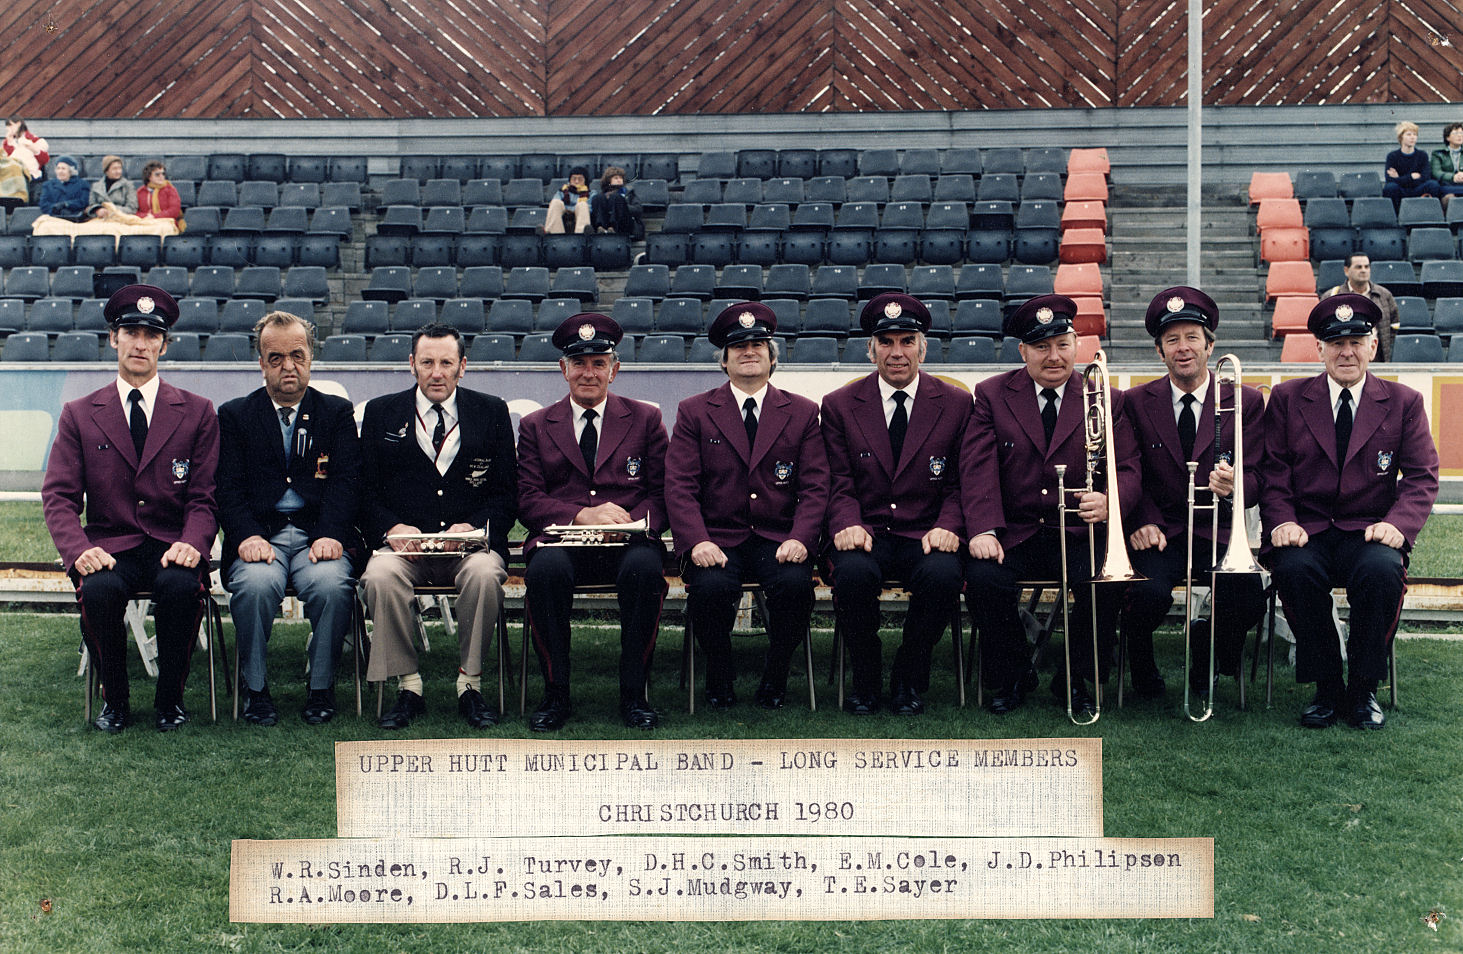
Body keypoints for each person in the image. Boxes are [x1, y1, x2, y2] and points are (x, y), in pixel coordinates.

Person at [41, 285, 219, 733]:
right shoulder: (79, 413)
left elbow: (203, 496)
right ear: (113, 339)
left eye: (151, 335)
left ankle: (169, 702)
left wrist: (193, 543)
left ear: (164, 344)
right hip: (109, 544)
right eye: (131, 332)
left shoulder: (197, 412)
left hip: (169, 544)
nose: (141, 343)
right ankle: (114, 702)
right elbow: (59, 496)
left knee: (181, 587)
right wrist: (77, 550)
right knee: (99, 590)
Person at [1261, 295, 1439, 730]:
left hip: (1369, 532)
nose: (1347, 352)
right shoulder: (1286, 398)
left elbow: (1422, 475)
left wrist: (1398, 526)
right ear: (1318, 349)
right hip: (1307, 531)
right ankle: (1326, 687)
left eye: (1357, 341)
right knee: (1295, 570)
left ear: (1373, 346)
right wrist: (1282, 521)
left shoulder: (1403, 402)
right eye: (1335, 342)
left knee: (1381, 572)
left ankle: (1363, 690)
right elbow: (1272, 472)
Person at [960, 295, 1139, 717]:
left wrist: (1111, 501)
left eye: (1062, 344)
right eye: (1041, 347)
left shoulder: (1105, 397)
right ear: (1023, 351)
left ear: (1076, 344)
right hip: (1016, 529)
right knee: (985, 578)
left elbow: (1129, 467)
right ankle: (1012, 674)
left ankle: (1075, 679)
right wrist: (984, 529)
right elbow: (976, 468)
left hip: (1079, 530)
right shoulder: (991, 394)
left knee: (1106, 583)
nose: (1053, 356)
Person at [665, 302, 829, 709]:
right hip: (718, 537)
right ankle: (719, 674)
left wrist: (802, 538)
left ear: (773, 358)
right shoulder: (695, 411)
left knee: (794, 586)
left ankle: (775, 675)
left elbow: (815, 486)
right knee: (711, 589)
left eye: (758, 344)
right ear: (724, 361)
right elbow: (680, 486)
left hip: (778, 537)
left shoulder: (804, 412)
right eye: (738, 346)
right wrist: (697, 540)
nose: (749, 351)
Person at [359, 323, 517, 730]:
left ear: (462, 367)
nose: (436, 372)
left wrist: (477, 527)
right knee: (378, 576)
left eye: (446, 362)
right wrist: (391, 527)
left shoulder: (491, 411)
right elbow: (364, 492)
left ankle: (471, 685)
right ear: (411, 364)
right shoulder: (381, 412)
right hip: (405, 550)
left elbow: (507, 492)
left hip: (468, 548)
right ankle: (409, 686)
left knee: (485, 575)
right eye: (427, 362)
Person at [820, 293, 970, 715]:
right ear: (870, 349)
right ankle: (866, 678)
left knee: (942, 575)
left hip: (926, 532)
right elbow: (837, 479)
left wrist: (949, 526)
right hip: (866, 530)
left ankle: (909, 676)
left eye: (907, 341)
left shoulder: (957, 404)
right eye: (886, 342)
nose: (897, 352)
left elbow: (962, 481)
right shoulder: (839, 405)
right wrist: (847, 523)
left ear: (924, 347)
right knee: (850, 573)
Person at [517, 313, 668, 730]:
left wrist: (628, 524)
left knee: (645, 569)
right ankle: (556, 694)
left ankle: (634, 694)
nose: (589, 372)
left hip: (627, 543)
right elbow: (527, 499)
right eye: (579, 363)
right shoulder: (534, 426)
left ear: (614, 370)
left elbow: (663, 493)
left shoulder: (646, 419)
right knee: (545, 572)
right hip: (562, 543)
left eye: (599, 363)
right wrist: (582, 514)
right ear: (562, 369)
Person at [1118, 287, 1266, 701]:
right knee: (1143, 593)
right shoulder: (1134, 401)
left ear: (1210, 345)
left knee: (1248, 596)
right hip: (1160, 531)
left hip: (1218, 531)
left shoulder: (1247, 401)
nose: (1183, 348)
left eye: (1192, 338)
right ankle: (1142, 666)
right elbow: (1132, 472)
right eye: (1172, 340)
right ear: (1159, 351)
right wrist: (1142, 520)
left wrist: (1237, 485)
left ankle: (1207, 652)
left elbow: (1261, 476)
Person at [216, 311, 362, 726]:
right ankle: (256, 689)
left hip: (319, 534)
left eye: (297, 355)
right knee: (256, 586)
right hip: (261, 536)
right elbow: (227, 487)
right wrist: (245, 535)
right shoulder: (235, 415)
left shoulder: (335, 412)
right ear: (261, 363)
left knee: (333, 586)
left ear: (311, 357)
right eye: (275, 358)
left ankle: (321, 687)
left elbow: (347, 482)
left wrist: (332, 532)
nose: (288, 367)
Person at [1321, 253, 1397, 363]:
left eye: (1366, 267)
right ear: (1346, 271)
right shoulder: (1332, 296)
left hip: (1377, 358)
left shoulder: (1384, 295)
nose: (1363, 270)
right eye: (1358, 267)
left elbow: (1394, 325)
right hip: (1345, 356)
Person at [1383, 120, 1438, 211]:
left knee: (1433, 185)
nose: (1412, 137)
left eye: (1415, 134)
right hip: (1401, 190)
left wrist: (1399, 178)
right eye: (1409, 134)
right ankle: (1396, 217)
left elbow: (1426, 177)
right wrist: (1411, 177)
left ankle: (1429, 214)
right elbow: (1389, 180)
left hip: (1417, 189)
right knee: (1390, 188)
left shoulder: (1422, 155)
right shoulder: (1392, 156)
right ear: (1401, 137)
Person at [590, 166, 644, 239]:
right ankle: (600, 228)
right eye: (616, 178)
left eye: (621, 178)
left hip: (624, 225)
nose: (619, 180)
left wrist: (621, 205)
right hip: (605, 223)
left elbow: (638, 209)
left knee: (616, 197)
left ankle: (613, 228)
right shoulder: (601, 197)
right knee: (597, 198)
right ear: (608, 180)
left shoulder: (629, 193)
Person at [37, 155, 89, 222]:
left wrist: (67, 204)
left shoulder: (82, 184)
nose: (60, 171)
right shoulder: (48, 185)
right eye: (58, 168)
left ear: (71, 171)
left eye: (63, 169)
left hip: (75, 218)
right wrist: (54, 208)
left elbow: (84, 201)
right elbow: (43, 204)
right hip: (53, 218)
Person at [86, 155, 138, 219]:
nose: (118, 171)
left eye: (120, 168)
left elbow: (132, 209)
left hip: (121, 219)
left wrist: (111, 210)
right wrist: (97, 210)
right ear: (106, 171)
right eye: (114, 169)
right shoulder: (96, 186)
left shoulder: (128, 186)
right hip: (100, 219)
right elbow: (90, 206)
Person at [544, 166, 591, 234]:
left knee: (582, 205)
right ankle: (554, 236)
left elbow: (590, 209)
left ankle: (581, 237)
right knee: (555, 202)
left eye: (580, 179)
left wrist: (572, 210)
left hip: (580, 215)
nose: (576, 181)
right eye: (574, 179)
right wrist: (571, 210)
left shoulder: (591, 193)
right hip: (564, 215)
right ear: (569, 180)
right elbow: (555, 203)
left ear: (585, 181)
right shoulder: (562, 192)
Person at [3, 118, 48, 187]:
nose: (8, 129)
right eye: (7, 127)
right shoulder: (7, 143)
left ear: (18, 124)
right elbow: (6, 160)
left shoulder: (34, 140)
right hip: (12, 176)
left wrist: (34, 149)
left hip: (30, 176)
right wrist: (10, 143)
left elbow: (44, 160)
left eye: (10, 125)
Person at [137, 161, 183, 226]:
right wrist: (146, 216)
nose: (161, 176)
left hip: (166, 222)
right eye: (157, 174)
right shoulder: (140, 191)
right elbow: (134, 211)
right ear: (149, 176)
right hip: (145, 221)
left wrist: (154, 217)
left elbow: (174, 211)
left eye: (163, 174)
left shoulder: (170, 190)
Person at [1429, 122, 1463, 205]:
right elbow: (1436, 172)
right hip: (1447, 185)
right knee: (1449, 198)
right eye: (1455, 133)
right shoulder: (1438, 153)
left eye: (1461, 133)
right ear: (1447, 137)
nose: (1459, 136)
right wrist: (1453, 177)